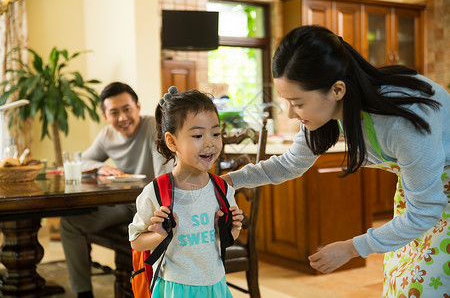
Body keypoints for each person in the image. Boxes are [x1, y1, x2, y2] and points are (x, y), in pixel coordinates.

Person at [222, 25, 450, 297]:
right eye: (286, 101)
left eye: (297, 102)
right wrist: (228, 181)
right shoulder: (327, 114)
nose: (291, 114)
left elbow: (425, 211)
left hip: (432, 201)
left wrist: (352, 248)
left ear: (337, 90)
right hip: (422, 199)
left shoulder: (400, 123)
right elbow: (289, 164)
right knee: (404, 282)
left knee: (424, 288)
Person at [60, 82, 173, 298]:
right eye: (114, 112)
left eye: (127, 109)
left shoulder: (154, 127)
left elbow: (163, 177)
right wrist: (102, 167)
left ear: (138, 106)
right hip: (123, 206)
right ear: (105, 115)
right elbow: (81, 161)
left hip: (152, 209)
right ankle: (84, 292)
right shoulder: (107, 135)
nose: (122, 118)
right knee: (70, 224)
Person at [129, 88, 244, 297]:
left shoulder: (222, 189)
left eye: (216, 133)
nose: (210, 142)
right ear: (172, 141)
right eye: (198, 135)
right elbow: (136, 241)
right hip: (175, 289)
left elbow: (228, 238)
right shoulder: (156, 192)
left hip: (215, 284)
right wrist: (158, 235)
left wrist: (231, 228)